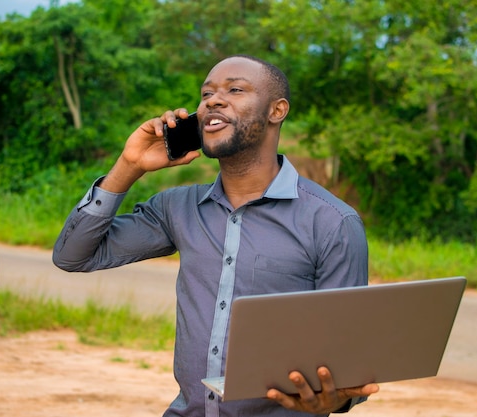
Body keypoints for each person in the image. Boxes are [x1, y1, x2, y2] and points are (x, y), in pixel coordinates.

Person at [52, 54, 379, 416]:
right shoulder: (177, 208)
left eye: (235, 89)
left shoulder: (332, 222)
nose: (213, 100)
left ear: (277, 110)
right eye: (206, 94)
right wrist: (129, 166)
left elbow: (346, 359)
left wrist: (337, 398)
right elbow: (73, 255)